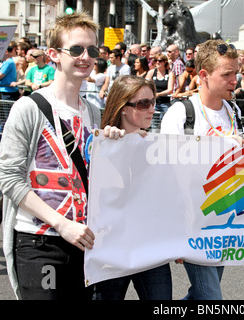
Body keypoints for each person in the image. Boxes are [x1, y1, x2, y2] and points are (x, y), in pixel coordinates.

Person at [0, 12, 102, 300]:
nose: (86, 57)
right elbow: (9, 178)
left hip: (83, 242)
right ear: (54, 54)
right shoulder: (28, 108)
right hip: (40, 241)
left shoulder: (94, 113)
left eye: (92, 50)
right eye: (76, 49)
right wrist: (61, 223)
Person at [160, 39, 244, 300]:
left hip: (225, 220)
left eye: (236, 73)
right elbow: (167, 168)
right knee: (211, 298)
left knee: (201, 294)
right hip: (192, 222)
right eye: (227, 74)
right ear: (204, 76)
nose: (235, 81)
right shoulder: (181, 113)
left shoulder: (234, 111)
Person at [92, 76, 172, 299]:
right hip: (111, 248)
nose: (152, 109)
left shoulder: (158, 145)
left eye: (153, 102)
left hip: (151, 247)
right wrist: (110, 145)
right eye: (143, 104)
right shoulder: (102, 143)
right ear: (123, 108)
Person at [145, 54, 174, 130]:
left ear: (165, 62)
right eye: (155, 60)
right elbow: (145, 85)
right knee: (154, 127)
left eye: (160, 61)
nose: (157, 62)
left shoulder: (170, 73)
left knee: (166, 126)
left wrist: (158, 94)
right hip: (154, 103)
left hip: (165, 103)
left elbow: (170, 89)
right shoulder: (151, 72)